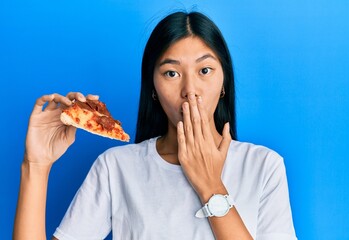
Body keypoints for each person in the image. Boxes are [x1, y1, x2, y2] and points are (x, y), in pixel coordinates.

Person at [13, 11, 297, 240]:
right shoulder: (116, 168)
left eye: (205, 70)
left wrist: (210, 186)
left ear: (224, 83)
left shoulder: (264, 166)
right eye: (171, 73)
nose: (190, 90)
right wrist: (35, 165)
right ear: (153, 88)